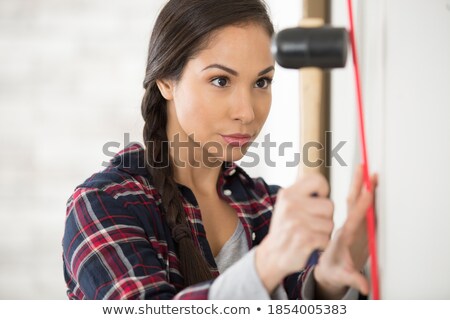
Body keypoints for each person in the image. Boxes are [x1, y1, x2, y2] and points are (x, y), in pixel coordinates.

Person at [62, 0, 377, 300]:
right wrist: (267, 263)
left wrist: (329, 280)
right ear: (165, 81)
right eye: (221, 80)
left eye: (262, 82)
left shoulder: (269, 206)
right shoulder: (103, 204)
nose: (247, 112)